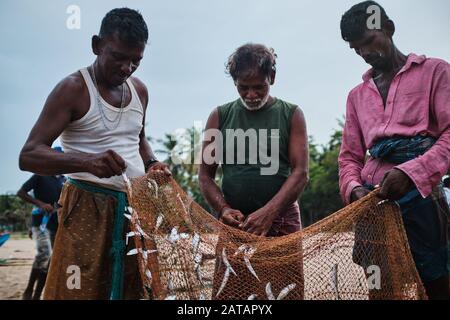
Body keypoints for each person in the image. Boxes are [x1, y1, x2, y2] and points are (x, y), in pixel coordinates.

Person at [19, 8, 169, 300]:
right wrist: (87, 162)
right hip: (87, 207)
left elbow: (139, 139)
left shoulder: (140, 90)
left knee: (133, 288)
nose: (127, 68)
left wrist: (151, 163)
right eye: (118, 57)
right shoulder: (73, 89)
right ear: (96, 45)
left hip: (134, 209)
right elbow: (28, 155)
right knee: (80, 288)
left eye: (135, 60)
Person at [338, 1, 450, 299]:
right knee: (380, 288)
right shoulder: (356, 97)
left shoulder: (435, 72)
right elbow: (349, 157)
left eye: (370, 42)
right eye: (357, 49)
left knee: (436, 281)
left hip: (423, 199)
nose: (366, 53)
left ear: (388, 28)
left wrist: (411, 173)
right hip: (373, 205)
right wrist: (354, 190)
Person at [199, 43, 309, 237]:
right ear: (235, 82)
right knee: (231, 269)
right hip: (235, 223)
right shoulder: (218, 116)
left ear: (272, 78)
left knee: (284, 269)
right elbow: (205, 176)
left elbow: (300, 173)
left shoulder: (292, 114)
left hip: (282, 219)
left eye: (259, 87)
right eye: (243, 87)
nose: (251, 95)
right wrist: (223, 209)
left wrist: (269, 212)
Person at [17, 148, 65, 300]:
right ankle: (28, 291)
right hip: (40, 222)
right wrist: (40, 204)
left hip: (56, 224)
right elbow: (21, 192)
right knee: (44, 254)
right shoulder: (40, 175)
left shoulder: (64, 180)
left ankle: (37, 294)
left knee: (51, 260)